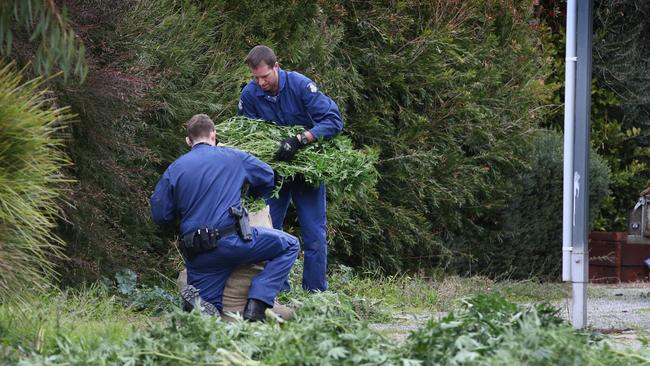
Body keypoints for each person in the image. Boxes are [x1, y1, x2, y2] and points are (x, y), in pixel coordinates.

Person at [150, 114, 299, 321]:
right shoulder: (234, 157)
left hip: (199, 254)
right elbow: (267, 176)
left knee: (211, 311)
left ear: (188, 141)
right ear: (214, 135)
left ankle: (199, 307)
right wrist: (250, 197)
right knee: (291, 245)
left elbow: (161, 216)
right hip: (233, 242)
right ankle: (257, 303)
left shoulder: (174, 169)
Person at [238, 45, 343, 292]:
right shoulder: (249, 95)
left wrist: (301, 139)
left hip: (307, 169)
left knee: (314, 234)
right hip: (272, 173)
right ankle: (276, 294)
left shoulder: (299, 85)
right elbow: (246, 134)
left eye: (265, 76)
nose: (261, 83)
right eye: (256, 78)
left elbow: (333, 120)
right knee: (268, 232)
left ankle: (315, 294)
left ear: (277, 67)